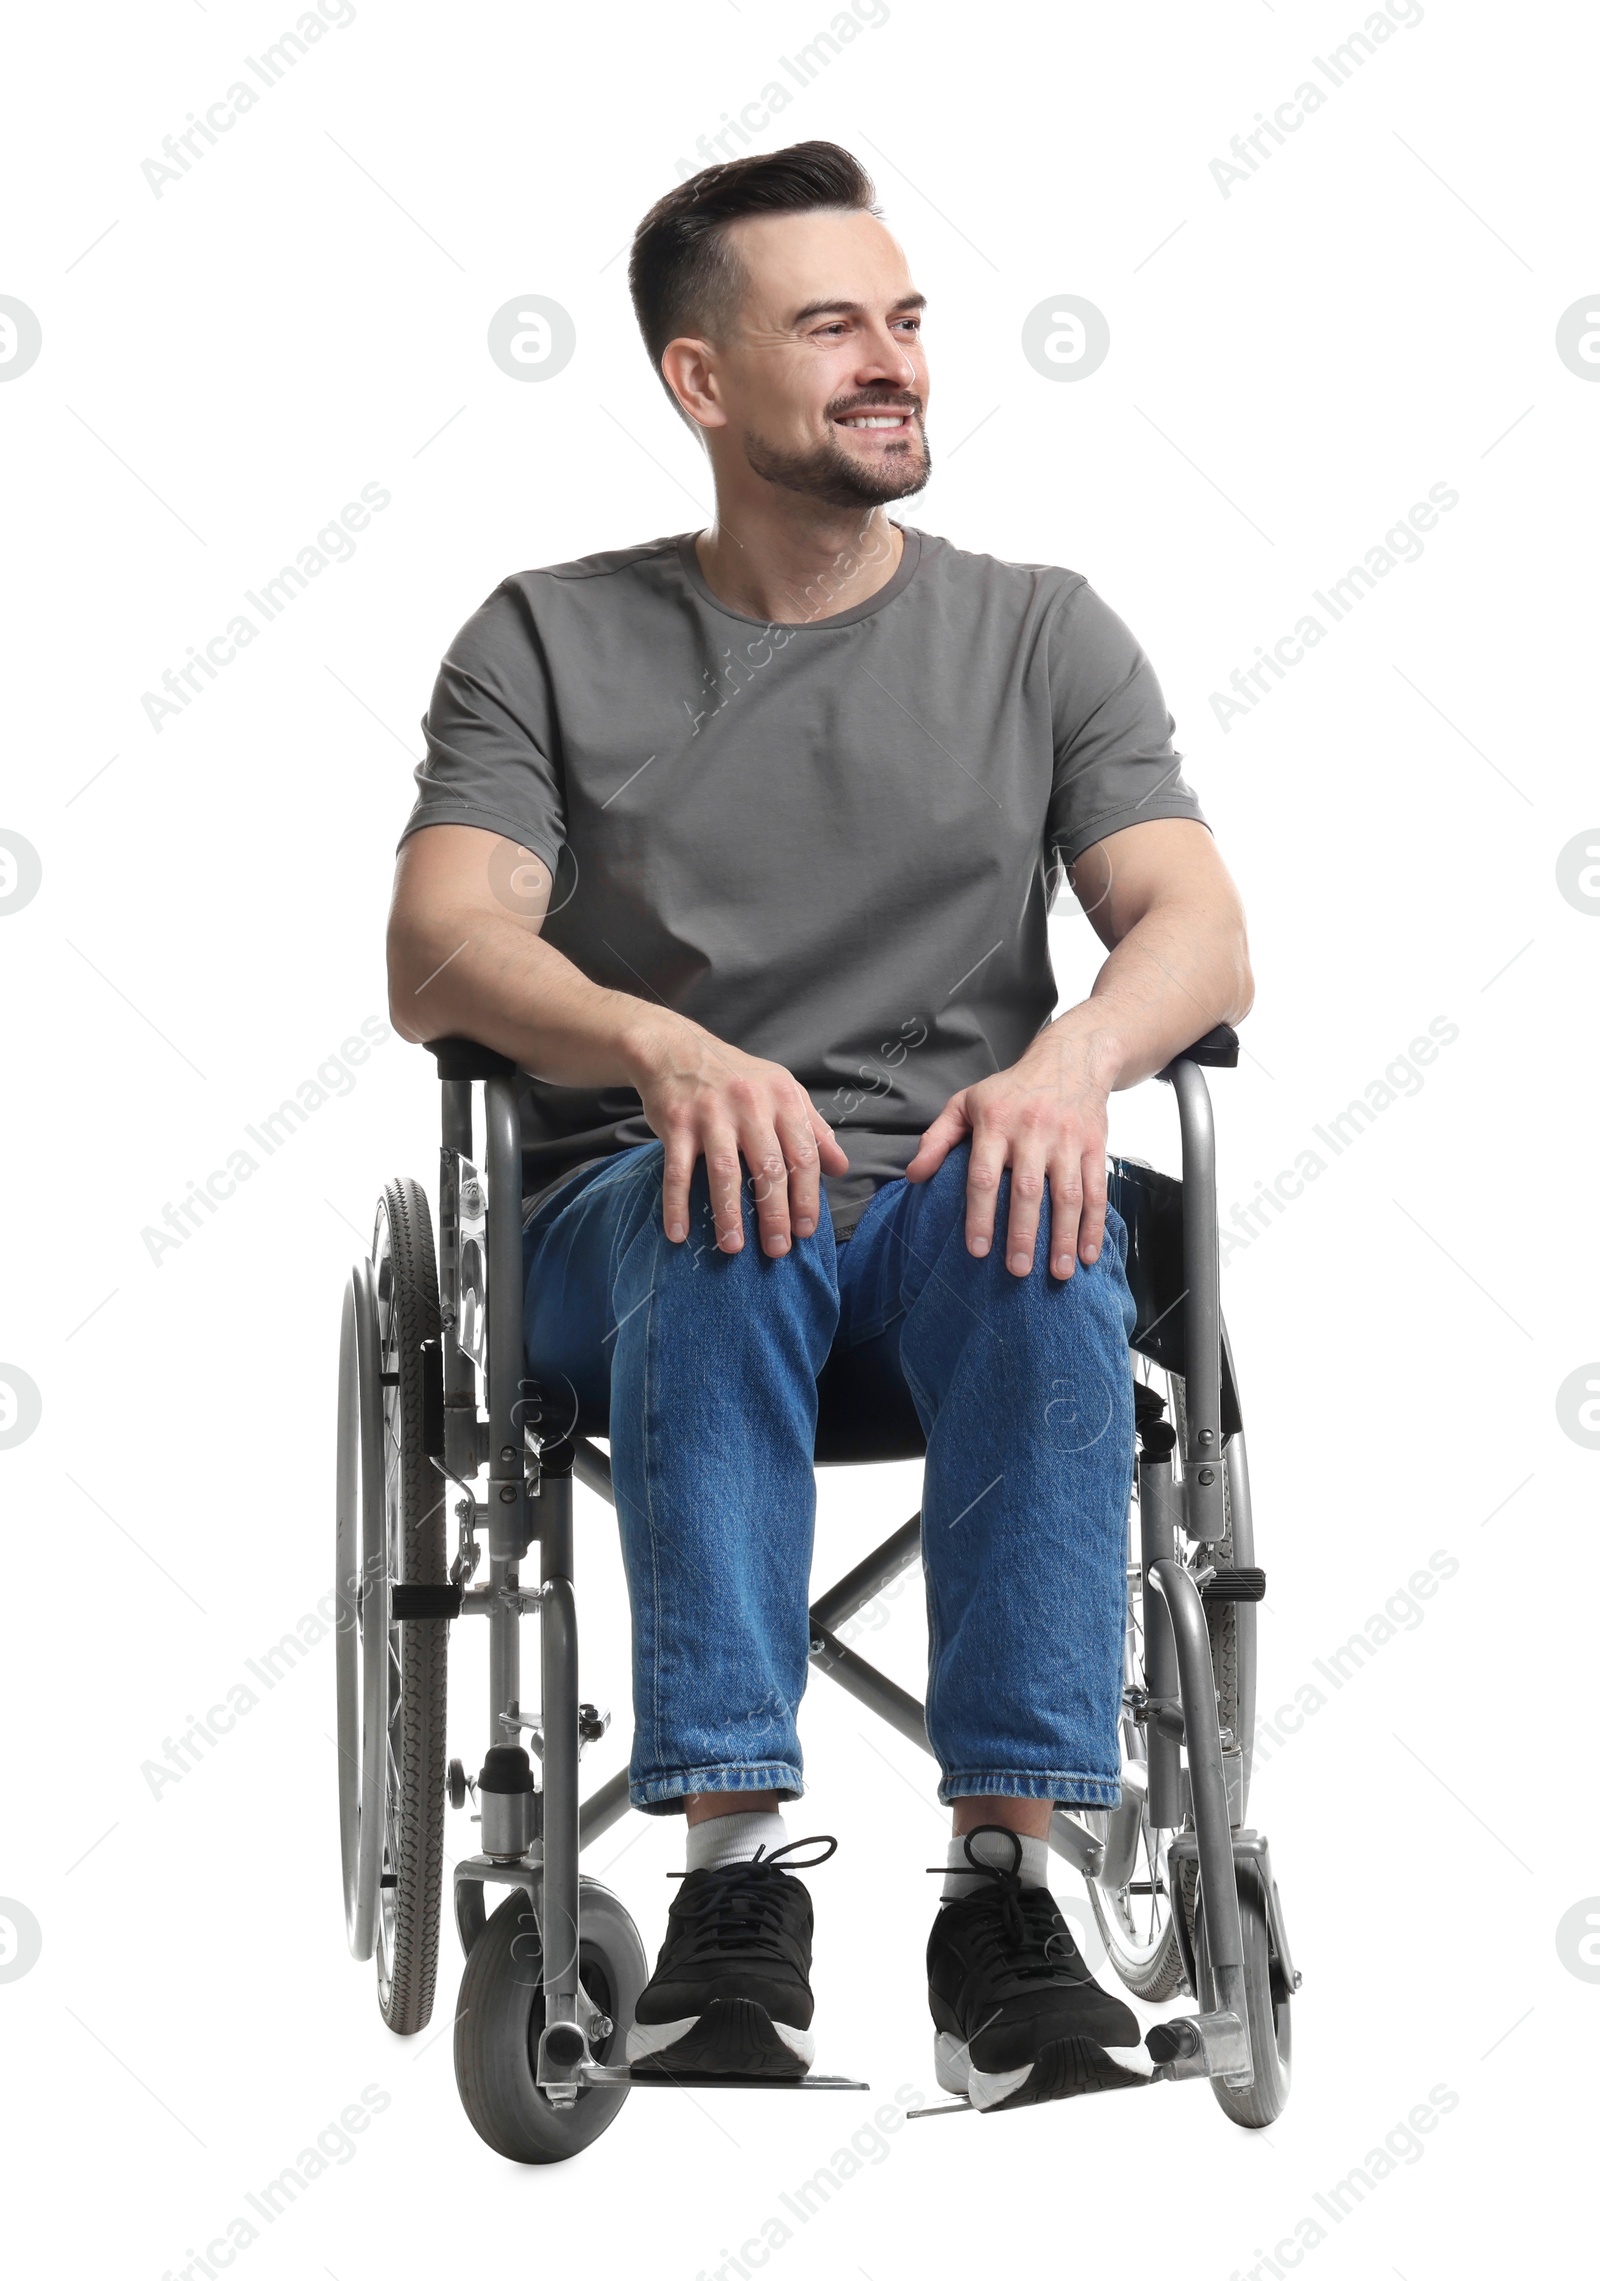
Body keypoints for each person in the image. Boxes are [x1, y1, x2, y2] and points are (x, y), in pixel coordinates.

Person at [386, 141, 1253, 2112]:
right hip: (643, 1221)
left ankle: (1007, 1895)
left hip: (949, 1213)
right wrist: (650, 1042)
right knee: (725, 1195)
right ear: (702, 383)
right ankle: (729, 1884)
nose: (896, 364)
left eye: (908, 322)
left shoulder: (1038, 633)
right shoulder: (548, 638)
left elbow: (1193, 925)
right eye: (833, 326)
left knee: (1042, 1218)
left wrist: (1068, 1062)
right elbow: (441, 947)